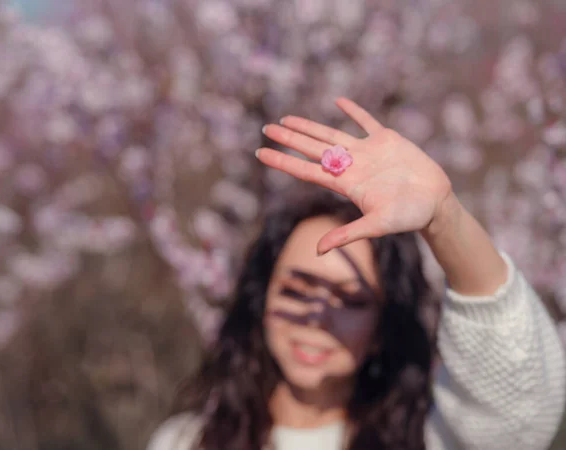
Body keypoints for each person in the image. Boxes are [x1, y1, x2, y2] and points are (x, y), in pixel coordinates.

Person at [147, 98, 565, 449]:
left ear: (383, 325)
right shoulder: (186, 441)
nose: (317, 317)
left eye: (352, 300)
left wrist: (444, 218)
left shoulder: (429, 435)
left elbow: (523, 413)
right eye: (296, 290)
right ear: (262, 299)